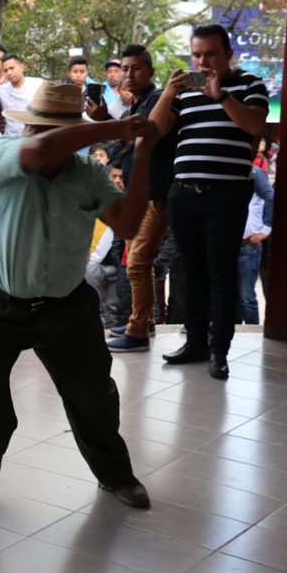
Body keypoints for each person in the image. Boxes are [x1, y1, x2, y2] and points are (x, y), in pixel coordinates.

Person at [0, 81, 158, 517]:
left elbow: (130, 223)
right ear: (32, 128)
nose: (42, 137)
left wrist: (142, 155)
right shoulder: (4, 153)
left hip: (66, 304)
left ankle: (115, 474)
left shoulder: (86, 174)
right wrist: (117, 128)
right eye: (42, 129)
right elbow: (40, 152)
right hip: (0, 302)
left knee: (94, 396)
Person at [148, 24, 269, 379]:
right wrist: (168, 94)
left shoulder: (250, 84)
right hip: (184, 194)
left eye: (210, 54)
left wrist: (221, 97)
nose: (202, 62)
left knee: (220, 274)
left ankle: (220, 351)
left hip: (226, 196)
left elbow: (253, 124)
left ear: (228, 54)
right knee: (191, 272)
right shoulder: (185, 93)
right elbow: (155, 131)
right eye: (196, 54)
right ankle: (195, 342)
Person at [105, 44, 179, 353]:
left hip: (155, 194)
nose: (128, 74)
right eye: (124, 68)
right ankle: (143, 321)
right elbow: (120, 150)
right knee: (139, 263)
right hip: (139, 193)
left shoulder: (163, 101)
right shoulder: (136, 105)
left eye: (136, 68)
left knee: (137, 262)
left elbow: (152, 134)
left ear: (150, 71)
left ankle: (136, 331)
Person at [237, 166, 274, 325]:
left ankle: (252, 330)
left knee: (246, 296)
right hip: (229, 243)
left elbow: (270, 197)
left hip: (249, 244)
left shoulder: (254, 172)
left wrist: (266, 229)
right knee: (231, 294)